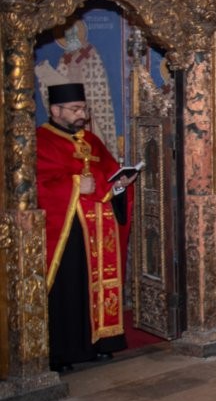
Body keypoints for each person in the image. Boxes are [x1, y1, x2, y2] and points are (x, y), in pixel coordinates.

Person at [36, 83, 139, 372]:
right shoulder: (41, 141)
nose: (82, 114)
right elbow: (35, 186)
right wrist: (74, 186)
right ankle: (63, 352)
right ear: (55, 111)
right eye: (75, 109)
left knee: (96, 287)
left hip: (98, 232)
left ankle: (100, 343)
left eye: (84, 108)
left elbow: (106, 175)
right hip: (67, 233)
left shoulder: (92, 141)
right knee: (69, 289)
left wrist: (119, 185)